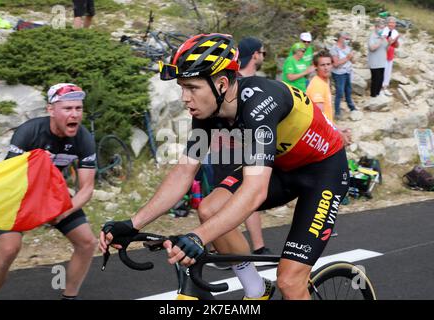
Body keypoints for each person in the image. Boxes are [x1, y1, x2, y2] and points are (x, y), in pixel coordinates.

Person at [100, 33, 349, 300]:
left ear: (220, 83)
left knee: (289, 282)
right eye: (182, 87)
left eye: (192, 87)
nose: (185, 98)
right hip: (282, 167)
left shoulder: (260, 104)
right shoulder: (208, 112)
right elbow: (184, 172)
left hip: (323, 172)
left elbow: (255, 191)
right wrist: (133, 223)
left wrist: (198, 237)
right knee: (208, 208)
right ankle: (256, 289)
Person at [0, 83, 97, 300]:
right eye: (67, 109)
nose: (74, 114)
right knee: (9, 249)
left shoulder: (83, 138)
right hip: (20, 196)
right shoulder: (29, 131)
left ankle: (70, 297)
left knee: (87, 243)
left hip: (53, 196)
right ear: (51, 110)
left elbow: (87, 189)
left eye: (78, 108)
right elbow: (11, 180)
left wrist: (61, 213)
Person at [207, 37, 273, 266]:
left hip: (226, 148)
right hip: (235, 148)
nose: (263, 56)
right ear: (255, 55)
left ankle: (233, 249)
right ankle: (254, 247)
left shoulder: (237, 81)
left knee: (233, 197)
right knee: (242, 196)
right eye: (262, 52)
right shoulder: (244, 83)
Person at [330, 32, 357, 120]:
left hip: (347, 72)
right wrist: (347, 58)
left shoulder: (348, 48)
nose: (347, 41)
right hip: (338, 74)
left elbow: (353, 61)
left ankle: (352, 107)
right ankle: (337, 112)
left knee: (348, 91)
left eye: (349, 39)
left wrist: (352, 57)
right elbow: (336, 64)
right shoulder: (334, 49)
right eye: (346, 39)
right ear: (341, 38)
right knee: (340, 92)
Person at [368, 18, 388, 98]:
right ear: (376, 27)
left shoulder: (383, 37)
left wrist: (389, 42)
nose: (381, 30)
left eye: (383, 28)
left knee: (381, 80)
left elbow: (386, 48)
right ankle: (373, 96)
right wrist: (380, 40)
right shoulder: (372, 36)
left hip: (382, 62)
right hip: (374, 62)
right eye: (380, 28)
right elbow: (372, 48)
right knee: (375, 80)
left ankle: (378, 94)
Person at [382, 16, 400, 96]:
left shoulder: (395, 32)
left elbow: (396, 45)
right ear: (387, 23)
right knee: (382, 71)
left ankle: (385, 87)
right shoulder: (383, 30)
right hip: (382, 54)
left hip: (390, 54)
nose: (392, 24)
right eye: (390, 22)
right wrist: (391, 41)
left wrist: (395, 41)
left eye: (393, 23)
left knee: (388, 72)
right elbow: (384, 42)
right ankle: (379, 88)